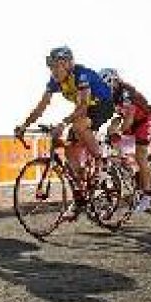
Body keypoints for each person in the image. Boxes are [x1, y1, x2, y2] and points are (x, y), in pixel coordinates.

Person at [15, 46, 115, 220]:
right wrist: (24, 126)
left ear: (68, 64)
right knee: (69, 152)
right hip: (84, 110)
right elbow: (41, 107)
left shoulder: (81, 75)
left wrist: (62, 123)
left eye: (56, 66)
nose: (53, 71)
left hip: (102, 105)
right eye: (51, 67)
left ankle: (101, 161)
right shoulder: (55, 81)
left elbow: (83, 106)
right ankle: (80, 197)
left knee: (77, 126)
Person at [100, 68, 151, 203]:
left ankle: (147, 194)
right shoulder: (109, 94)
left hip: (144, 121)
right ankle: (124, 163)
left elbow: (129, 119)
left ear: (115, 81)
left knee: (140, 156)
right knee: (112, 127)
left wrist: (119, 132)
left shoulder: (126, 92)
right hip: (129, 119)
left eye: (108, 84)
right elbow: (110, 116)